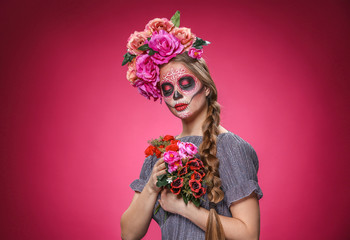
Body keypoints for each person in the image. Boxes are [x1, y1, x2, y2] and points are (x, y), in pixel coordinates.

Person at [120, 11, 263, 240]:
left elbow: (249, 235)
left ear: (206, 87)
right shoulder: (160, 155)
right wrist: (151, 188)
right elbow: (128, 234)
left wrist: (186, 209)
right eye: (167, 89)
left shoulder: (231, 148)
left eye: (185, 83)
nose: (176, 95)